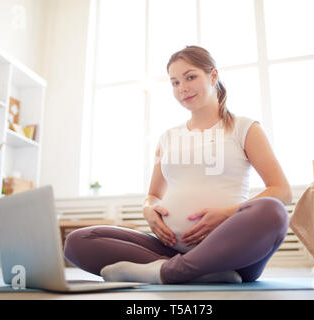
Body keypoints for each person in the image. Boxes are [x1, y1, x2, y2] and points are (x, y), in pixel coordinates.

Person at [63, 45, 292, 284]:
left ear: (213, 76)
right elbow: (153, 194)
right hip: (170, 247)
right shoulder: (168, 137)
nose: (182, 89)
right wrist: (148, 209)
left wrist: (226, 214)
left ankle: (168, 272)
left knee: (272, 212)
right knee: (79, 240)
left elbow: (281, 191)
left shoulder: (245, 128)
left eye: (190, 77)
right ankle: (196, 273)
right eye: (174, 83)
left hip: (232, 253)